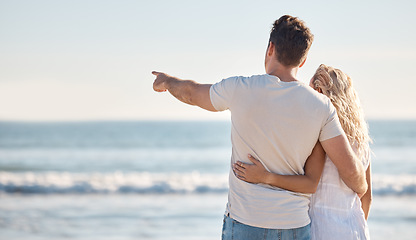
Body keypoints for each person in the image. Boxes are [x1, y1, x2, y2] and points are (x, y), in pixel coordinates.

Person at [152, 15, 367, 240]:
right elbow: (351, 171)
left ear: (270, 48)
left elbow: (191, 93)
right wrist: (361, 188)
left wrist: (167, 81)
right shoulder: (321, 106)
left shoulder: (239, 88)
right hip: (293, 225)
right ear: (302, 61)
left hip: (245, 222)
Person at [233, 64, 372, 239]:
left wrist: (265, 176)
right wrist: (354, 226)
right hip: (355, 231)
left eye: (311, 90)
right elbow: (366, 198)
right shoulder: (360, 140)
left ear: (320, 91)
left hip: (321, 229)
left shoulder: (319, 135)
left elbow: (308, 183)